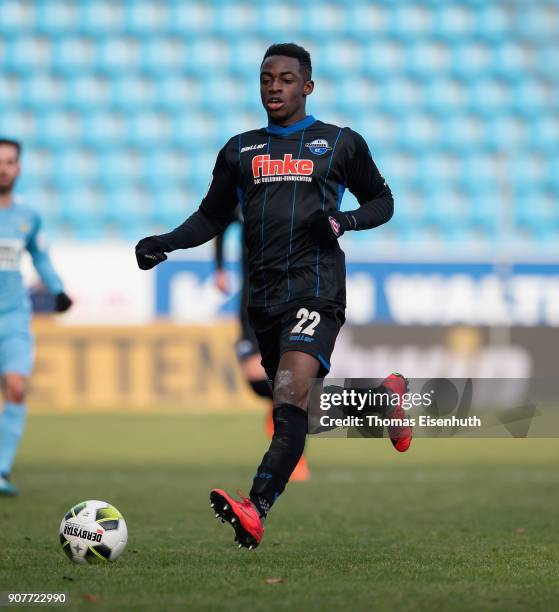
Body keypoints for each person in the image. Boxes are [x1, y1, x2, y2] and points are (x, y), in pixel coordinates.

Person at [136, 43, 412, 549]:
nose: (274, 87)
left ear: (307, 87)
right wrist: (166, 243)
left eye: (286, 79)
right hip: (262, 301)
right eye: (266, 78)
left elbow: (383, 201)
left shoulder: (339, 143)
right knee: (296, 403)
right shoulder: (240, 150)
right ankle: (380, 398)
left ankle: (255, 505)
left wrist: (343, 220)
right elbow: (212, 216)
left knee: (288, 398)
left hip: (317, 290)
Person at [214, 206, 309, 481]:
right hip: (251, 304)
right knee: (258, 380)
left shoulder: (294, 193)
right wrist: (220, 269)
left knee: (289, 384)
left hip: (289, 302)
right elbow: (220, 224)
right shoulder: (245, 192)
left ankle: (293, 456)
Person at [0, 139, 73, 496]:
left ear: (19, 168)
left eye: (10, 162)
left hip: (12, 317)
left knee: (15, 386)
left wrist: (57, 289)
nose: (3, 168)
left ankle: (0, 470)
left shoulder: (28, 216)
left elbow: (40, 257)